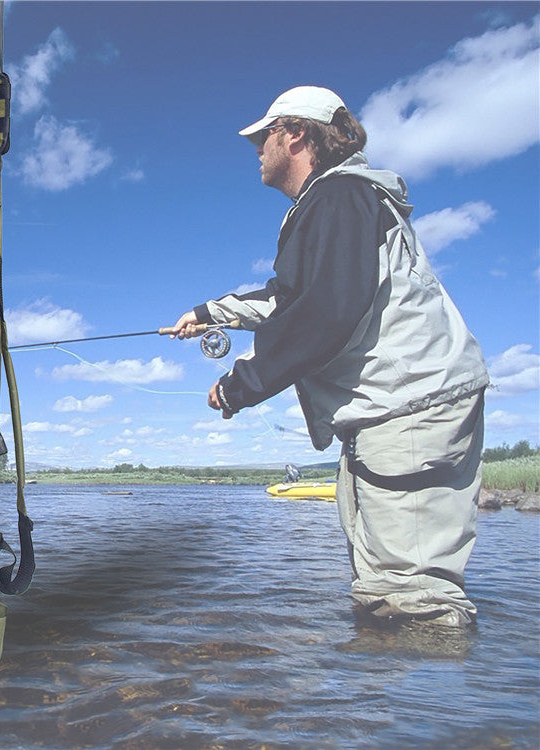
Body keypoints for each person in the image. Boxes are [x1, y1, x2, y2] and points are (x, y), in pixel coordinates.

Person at [172, 86, 489, 627]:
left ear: (296, 133)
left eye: (264, 135)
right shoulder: (336, 201)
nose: (257, 149)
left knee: (412, 601)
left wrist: (240, 384)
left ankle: (429, 674)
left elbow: (327, 308)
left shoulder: (340, 195)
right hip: (399, 408)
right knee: (384, 594)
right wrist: (210, 312)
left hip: (409, 409)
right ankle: (392, 681)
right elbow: (292, 296)